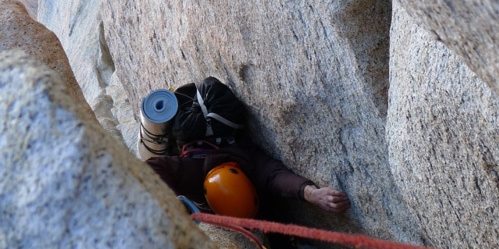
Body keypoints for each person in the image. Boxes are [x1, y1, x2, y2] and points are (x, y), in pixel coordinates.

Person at [144, 78, 350, 217]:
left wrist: (311, 194)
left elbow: (274, 176)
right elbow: (153, 168)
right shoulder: (193, 168)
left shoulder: (243, 156)